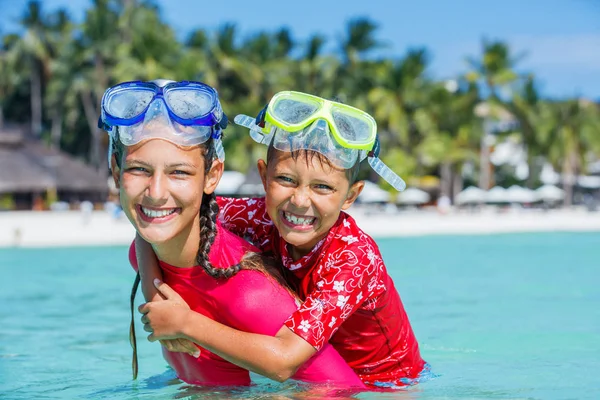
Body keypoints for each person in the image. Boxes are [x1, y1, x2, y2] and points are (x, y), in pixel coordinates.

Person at [137, 91, 429, 389]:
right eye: (286, 180)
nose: (300, 200)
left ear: (350, 196)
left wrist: (185, 324)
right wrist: (154, 294)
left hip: (387, 385)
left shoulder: (353, 257)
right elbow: (168, 215)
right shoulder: (259, 215)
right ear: (264, 177)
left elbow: (283, 361)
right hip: (313, 367)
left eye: (323, 187)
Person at [100, 80, 363, 387]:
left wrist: (185, 324)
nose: (156, 193)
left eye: (180, 172)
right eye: (139, 170)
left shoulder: (250, 296)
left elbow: (342, 389)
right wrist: (152, 289)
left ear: (212, 176)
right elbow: (144, 233)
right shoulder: (146, 252)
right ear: (117, 173)